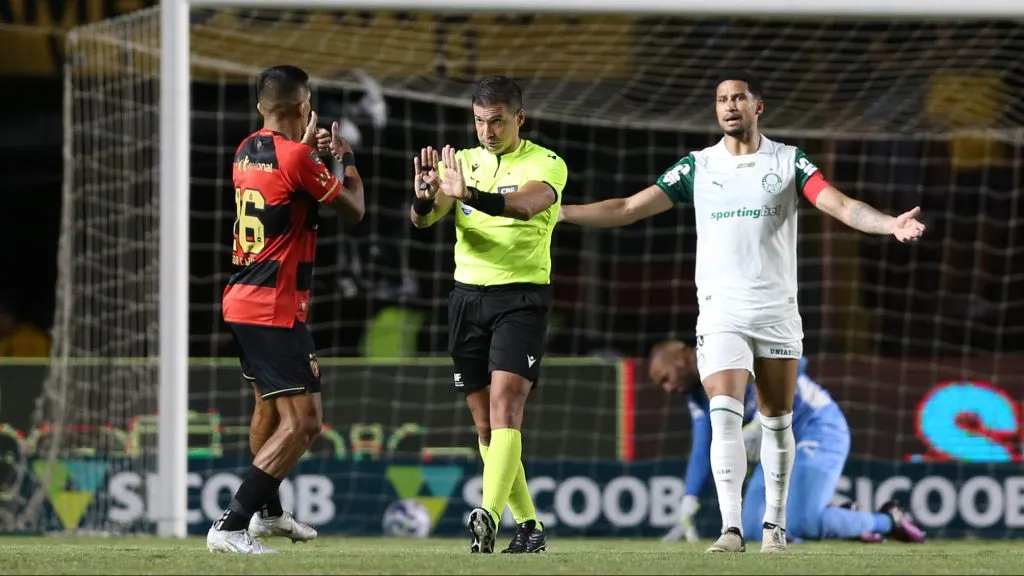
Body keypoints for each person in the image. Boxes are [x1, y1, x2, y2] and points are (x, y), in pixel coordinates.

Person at [559, 69, 925, 553]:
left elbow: (839, 205)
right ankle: (731, 529)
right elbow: (627, 207)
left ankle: (775, 527)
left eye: (738, 98)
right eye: (721, 99)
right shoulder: (697, 167)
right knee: (724, 413)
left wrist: (888, 225)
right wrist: (561, 212)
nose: (729, 106)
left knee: (776, 420)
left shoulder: (790, 162)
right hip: (720, 313)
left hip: (776, 312)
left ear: (759, 106)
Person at [208, 65, 365, 554]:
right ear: (304, 107)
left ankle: (269, 516)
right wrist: (344, 159)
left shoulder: (244, 150)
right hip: (273, 308)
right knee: (305, 423)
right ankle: (231, 525)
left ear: (261, 107)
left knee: (268, 410)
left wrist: (313, 158)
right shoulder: (298, 157)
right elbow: (354, 209)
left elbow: (294, 193)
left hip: (241, 300)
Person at [410, 75, 567, 554]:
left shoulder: (547, 163)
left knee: (507, 409)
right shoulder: (462, 163)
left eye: (497, 121)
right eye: (480, 121)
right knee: (485, 426)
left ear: (519, 118)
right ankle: (530, 526)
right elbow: (424, 219)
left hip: (519, 299)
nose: (487, 131)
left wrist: (469, 195)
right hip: (466, 300)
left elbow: (525, 206)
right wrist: (423, 194)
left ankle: (489, 514)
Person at [648, 341, 925, 546]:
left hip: (815, 428)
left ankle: (889, 521)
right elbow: (705, 444)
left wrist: (759, 418)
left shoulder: (728, 352)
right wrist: (690, 497)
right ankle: (844, 521)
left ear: (680, 364)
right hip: (775, 442)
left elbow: (797, 363)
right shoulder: (697, 394)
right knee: (757, 529)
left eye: (666, 379)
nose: (667, 389)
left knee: (799, 523)